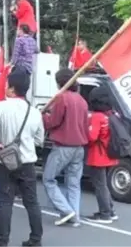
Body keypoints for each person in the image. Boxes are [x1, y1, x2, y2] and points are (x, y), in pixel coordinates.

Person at [0, 69, 44, 247]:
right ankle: (35, 239)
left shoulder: (0, 107)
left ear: (11, 88)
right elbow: (40, 139)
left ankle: (2, 240)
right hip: (27, 162)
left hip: (5, 162)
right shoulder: (34, 112)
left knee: (5, 201)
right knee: (32, 202)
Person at [42, 68, 89, 226]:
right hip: (79, 147)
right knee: (74, 183)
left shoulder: (62, 98)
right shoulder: (82, 100)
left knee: (48, 179)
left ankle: (67, 211)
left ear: (59, 82)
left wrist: (43, 116)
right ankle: (75, 216)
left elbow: (53, 122)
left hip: (63, 146)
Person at [83, 87, 119, 224]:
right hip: (110, 153)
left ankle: (105, 214)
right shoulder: (112, 114)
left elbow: (91, 137)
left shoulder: (97, 117)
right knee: (104, 185)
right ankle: (110, 210)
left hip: (98, 155)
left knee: (100, 185)